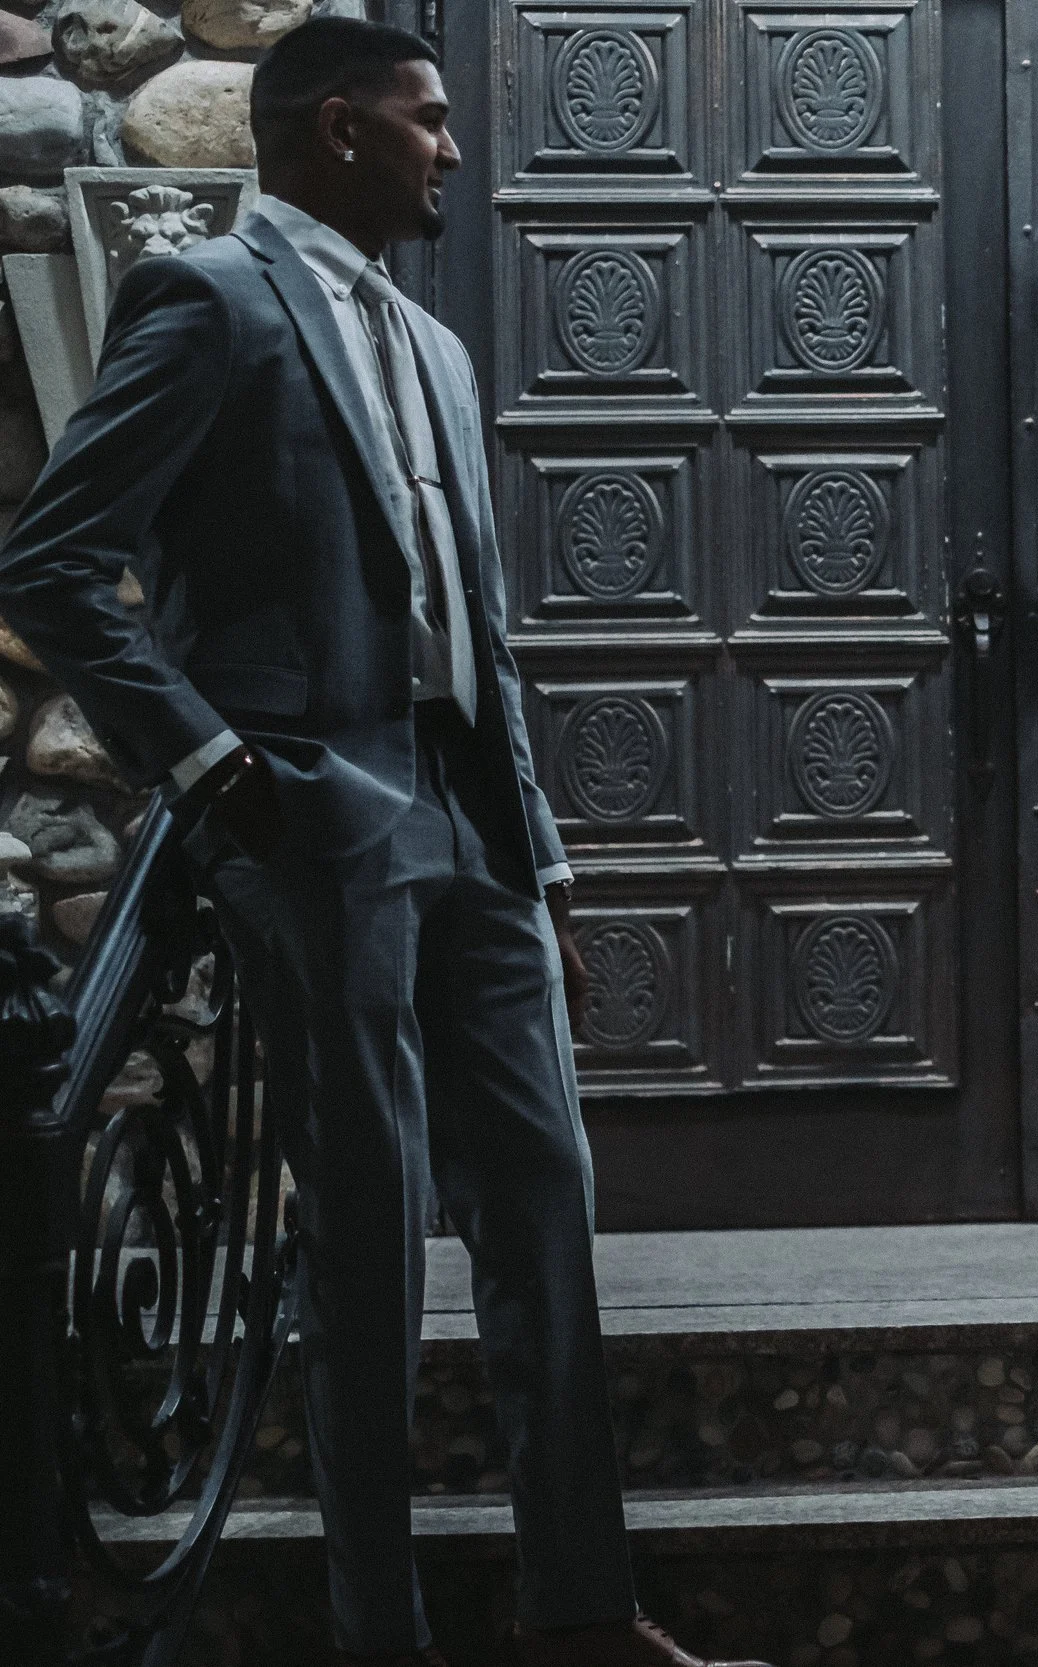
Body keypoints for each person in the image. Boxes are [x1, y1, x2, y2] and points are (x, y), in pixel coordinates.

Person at [0, 20, 769, 1667]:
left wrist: (543, 866)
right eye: (429, 120)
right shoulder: (208, 301)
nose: (454, 151)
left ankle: (583, 1616)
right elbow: (54, 562)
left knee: (544, 1205)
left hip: (472, 828)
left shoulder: (435, 346)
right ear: (339, 128)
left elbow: (480, 628)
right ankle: (379, 1636)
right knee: (365, 1236)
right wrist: (214, 767)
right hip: (317, 820)